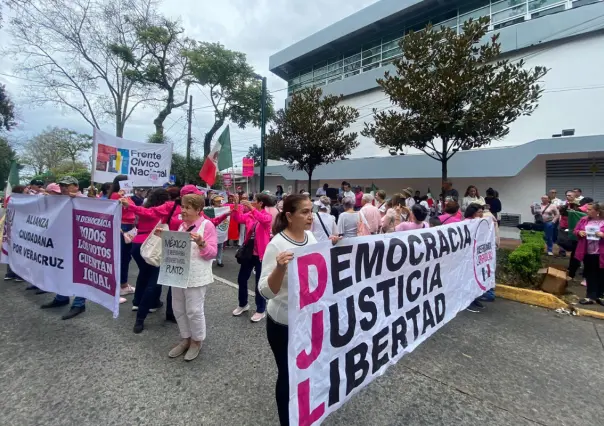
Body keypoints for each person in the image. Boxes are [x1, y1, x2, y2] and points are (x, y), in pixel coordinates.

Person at [259, 195, 328, 426]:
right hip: (283, 323)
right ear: (289, 216)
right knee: (288, 376)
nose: (311, 217)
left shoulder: (310, 236)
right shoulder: (276, 245)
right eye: (305, 212)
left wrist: (332, 247)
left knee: (307, 371)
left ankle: (304, 412)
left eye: (312, 211)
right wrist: (279, 268)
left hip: (307, 320)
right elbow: (265, 292)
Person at [167, 194, 218, 361]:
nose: (183, 210)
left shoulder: (207, 226)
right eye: (183, 207)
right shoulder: (182, 226)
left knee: (194, 310)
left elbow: (212, 253)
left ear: (198, 210)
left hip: (196, 275)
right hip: (178, 274)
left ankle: (197, 341)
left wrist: (202, 243)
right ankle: (185, 338)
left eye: (187, 207)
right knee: (178, 308)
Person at [120, 188, 173, 333]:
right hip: (152, 245)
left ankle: (138, 302)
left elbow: (142, 217)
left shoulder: (144, 208)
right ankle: (140, 318)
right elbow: (152, 214)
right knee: (154, 280)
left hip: (137, 245)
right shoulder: (164, 207)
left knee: (144, 274)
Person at [40, 176, 89, 319]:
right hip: (62, 241)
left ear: (76, 186)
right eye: (61, 186)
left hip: (80, 242)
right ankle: (62, 298)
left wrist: (78, 199)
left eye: (67, 186)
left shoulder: (85, 199)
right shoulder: (59, 200)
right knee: (61, 269)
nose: (63, 188)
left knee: (80, 273)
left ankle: (79, 304)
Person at [231, 193, 274, 322]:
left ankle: (261, 309)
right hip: (249, 254)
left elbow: (263, 220)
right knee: (242, 279)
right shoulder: (250, 215)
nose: (251, 202)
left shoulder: (267, 216)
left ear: (261, 203)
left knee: (259, 284)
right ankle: (243, 304)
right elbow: (237, 218)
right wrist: (237, 204)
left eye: (254, 201)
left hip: (261, 255)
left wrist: (251, 208)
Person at [108, 175, 136, 298]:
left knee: (126, 257)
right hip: (122, 227)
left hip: (129, 227)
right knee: (122, 257)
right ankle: (121, 285)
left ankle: (122, 284)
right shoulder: (116, 195)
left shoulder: (127, 195)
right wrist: (120, 196)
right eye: (127, 181)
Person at [573, 203, 604, 305]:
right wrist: (579, 232)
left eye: (590, 209)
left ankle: (600, 296)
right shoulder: (584, 220)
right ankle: (590, 296)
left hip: (601, 253)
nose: (587, 211)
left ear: (598, 211)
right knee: (590, 274)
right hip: (588, 251)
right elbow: (575, 230)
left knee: (602, 274)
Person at [464, 203, 487, 312]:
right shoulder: (466, 223)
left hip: (476, 256)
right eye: (479, 212)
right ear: (473, 213)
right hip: (468, 257)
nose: (482, 213)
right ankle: (468, 301)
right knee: (469, 278)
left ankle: (474, 298)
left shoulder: (481, 222)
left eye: (482, 211)